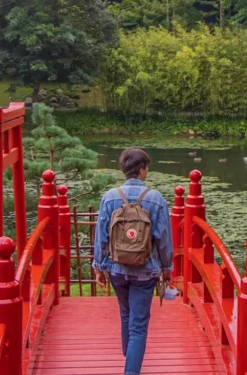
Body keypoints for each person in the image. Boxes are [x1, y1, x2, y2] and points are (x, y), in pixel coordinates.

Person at [93, 148, 173, 375]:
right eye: (146, 168)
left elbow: (101, 237)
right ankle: (131, 369)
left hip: (117, 269)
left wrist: (99, 267)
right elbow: (163, 239)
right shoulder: (155, 199)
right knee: (138, 325)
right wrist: (167, 269)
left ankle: (130, 359)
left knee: (126, 313)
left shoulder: (109, 197)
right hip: (146, 271)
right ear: (141, 170)